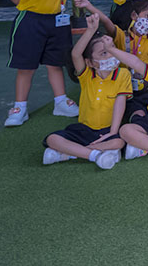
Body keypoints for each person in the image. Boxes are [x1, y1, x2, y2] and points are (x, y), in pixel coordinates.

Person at [41, 13, 129, 170]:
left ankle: (70, 153)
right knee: (52, 139)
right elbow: (76, 54)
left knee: (119, 141)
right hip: (84, 129)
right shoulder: (86, 75)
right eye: (104, 53)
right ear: (90, 62)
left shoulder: (123, 74)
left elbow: (120, 103)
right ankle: (95, 155)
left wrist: (113, 131)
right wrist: (90, 30)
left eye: (112, 49)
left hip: (108, 130)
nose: (111, 55)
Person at [71, 0, 148, 119]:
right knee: (137, 114)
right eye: (147, 16)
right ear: (134, 15)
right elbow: (105, 20)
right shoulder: (121, 36)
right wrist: (88, 6)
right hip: (127, 90)